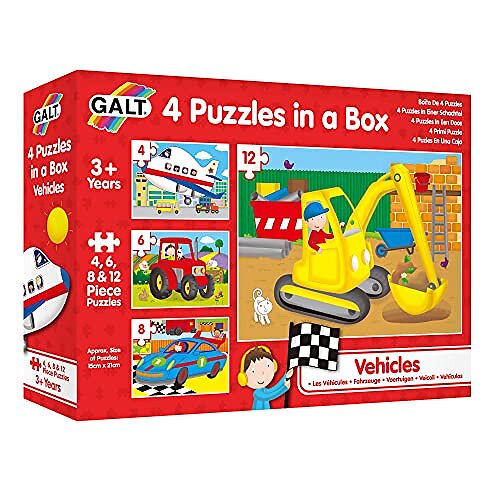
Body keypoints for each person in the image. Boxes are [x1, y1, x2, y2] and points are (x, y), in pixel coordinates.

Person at [239, 346, 293, 410]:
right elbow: (269, 396)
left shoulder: (264, 390)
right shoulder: (257, 393)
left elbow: (273, 389)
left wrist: (285, 377)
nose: (262, 374)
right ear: (243, 378)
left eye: (268, 366)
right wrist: (284, 388)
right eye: (253, 371)